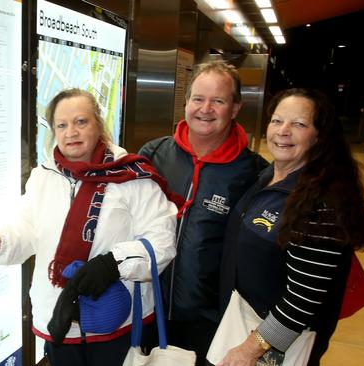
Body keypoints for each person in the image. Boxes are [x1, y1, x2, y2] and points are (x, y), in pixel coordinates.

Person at [0, 88, 178, 366]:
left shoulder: (133, 176)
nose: (71, 132)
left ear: (98, 124)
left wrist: (113, 264)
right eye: (62, 125)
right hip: (60, 321)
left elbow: (162, 242)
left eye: (81, 122)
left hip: (118, 322)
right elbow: (26, 229)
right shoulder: (43, 177)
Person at [217, 88, 364, 366]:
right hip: (241, 322)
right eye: (277, 120)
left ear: (319, 136)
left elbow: (303, 298)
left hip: (271, 344)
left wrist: (249, 349)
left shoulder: (321, 204)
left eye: (299, 124)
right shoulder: (268, 177)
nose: (283, 131)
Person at [138, 60, 266, 365]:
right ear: (186, 102)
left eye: (218, 101)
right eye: (198, 99)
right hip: (146, 311)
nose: (205, 109)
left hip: (212, 323)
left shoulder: (255, 174)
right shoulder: (152, 156)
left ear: (235, 108)